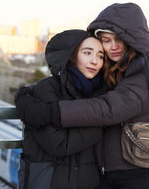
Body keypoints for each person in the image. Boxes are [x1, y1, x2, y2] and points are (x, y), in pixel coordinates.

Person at [16, 3, 149, 189]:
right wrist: (27, 95)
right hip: (101, 174)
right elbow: (67, 84)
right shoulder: (111, 70)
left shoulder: (147, 69)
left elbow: (109, 109)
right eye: (106, 39)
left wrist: (51, 112)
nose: (113, 47)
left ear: (133, 39)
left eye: (119, 39)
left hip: (130, 173)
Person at [17, 29, 106, 189]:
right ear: (71, 56)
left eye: (100, 56)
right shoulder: (47, 89)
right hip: (49, 182)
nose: (95, 61)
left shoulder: (100, 93)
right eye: (87, 53)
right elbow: (59, 144)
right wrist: (103, 123)